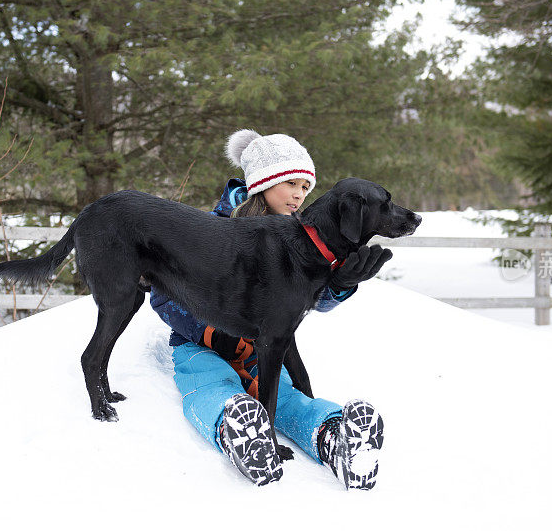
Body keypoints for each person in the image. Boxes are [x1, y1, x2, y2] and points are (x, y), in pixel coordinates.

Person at [149, 129, 385, 489]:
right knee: (210, 383)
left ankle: (335, 437)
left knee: (286, 396)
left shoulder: (301, 239)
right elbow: (164, 293)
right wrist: (207, 331)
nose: (298, 194)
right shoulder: (209, 230)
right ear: (263, 181)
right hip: (197, 345)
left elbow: (308, 302)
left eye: (306, 187)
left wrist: (339, 284)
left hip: (261, 350)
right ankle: (238, 432)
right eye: (291, 182)